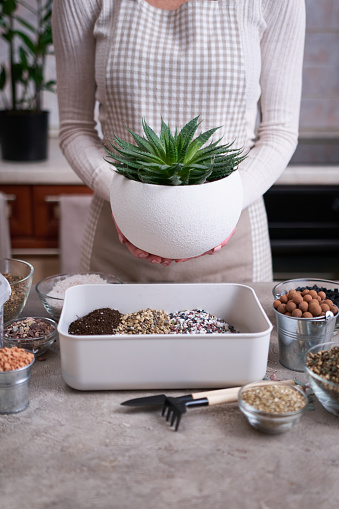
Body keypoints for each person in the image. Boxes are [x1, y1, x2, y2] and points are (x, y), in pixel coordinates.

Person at [52, 0, 305, 283]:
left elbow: (279, 131)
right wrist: (128, 205)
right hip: (120, 244)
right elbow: (75, 128)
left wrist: (222, 209)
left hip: (232, 246)